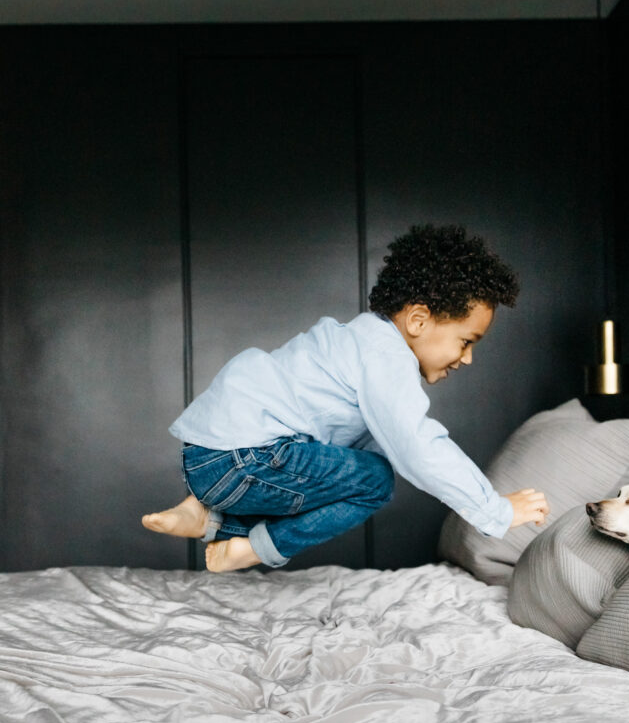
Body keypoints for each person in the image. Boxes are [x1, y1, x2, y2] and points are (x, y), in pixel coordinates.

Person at [142, 225, 549, 571]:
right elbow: (418, 445)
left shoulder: (355, 339)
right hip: (243, 458)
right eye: (466, 341)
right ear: (419, 319)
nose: (468, 358)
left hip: (206, 458)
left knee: (343, 468)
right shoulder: (385, 356)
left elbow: (356, 452)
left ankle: (206, 515)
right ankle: (250, 548)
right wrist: (495, 510)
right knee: (373, 482)